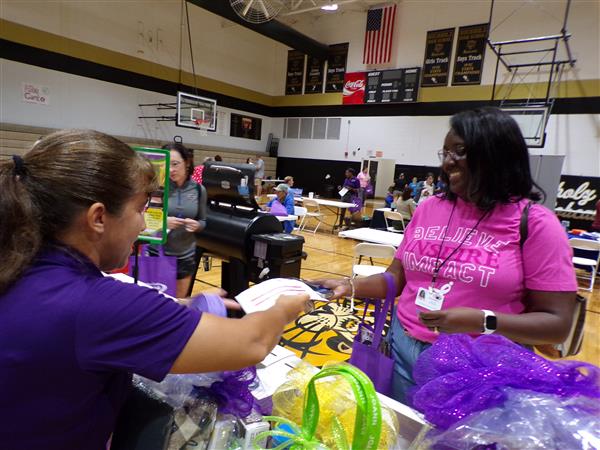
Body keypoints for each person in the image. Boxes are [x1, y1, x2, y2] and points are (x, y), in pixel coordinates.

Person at [0, 130, 309, 449]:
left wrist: (182, 304)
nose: (143, 225)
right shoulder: (97, 305)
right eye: (140, 209)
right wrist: (284, 305)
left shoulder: (18, 263)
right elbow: (252, 342)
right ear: (98, 218)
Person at [317, 107, 577, 405]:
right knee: (403, 433)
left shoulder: (536, 223)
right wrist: (349, 286)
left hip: (478, 365)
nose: (448, 161)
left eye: (460, 151)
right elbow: (396, 278)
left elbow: (557, 324)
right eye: (445, 152)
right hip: (402, 347)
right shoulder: (429, 208)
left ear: (497, 155)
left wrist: (482, 321)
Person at [162, 142, 207, 298]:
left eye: (175, 164)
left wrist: (197, 225)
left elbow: (203, 221)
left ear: (187, 162)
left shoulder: (198, 189)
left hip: (185, 256)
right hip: (158, 254)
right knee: (158, 305)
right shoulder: (157, 188)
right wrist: (164, 222)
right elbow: (143, 219)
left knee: (179, 303)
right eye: (167, 164)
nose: (170, 170)